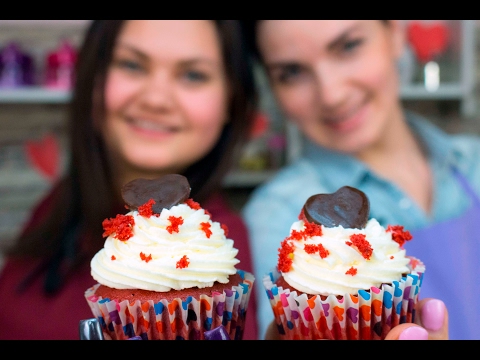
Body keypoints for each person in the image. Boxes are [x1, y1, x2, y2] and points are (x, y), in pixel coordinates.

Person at [0, 20, 259, 340]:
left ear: (231, 102)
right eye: (132, 65)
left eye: (194, 75)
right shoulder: (59, 202)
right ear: (93, 78)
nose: (156, 99)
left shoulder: (213, 255)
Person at [241, 20, 468, 340]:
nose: (331, 94)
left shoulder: (474, 165)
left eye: (348, 46)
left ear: (396, 33)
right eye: (291, 72)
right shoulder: (276, 213)